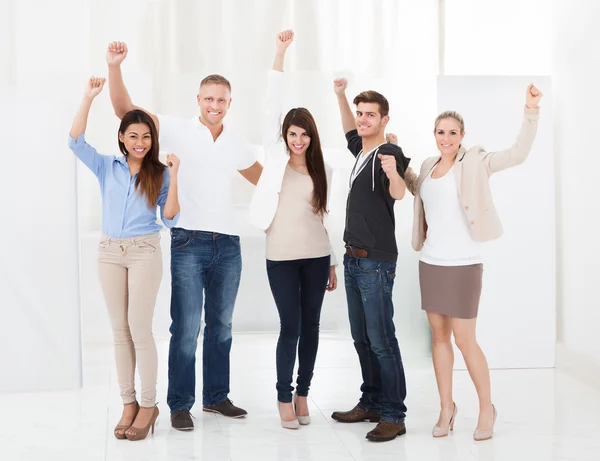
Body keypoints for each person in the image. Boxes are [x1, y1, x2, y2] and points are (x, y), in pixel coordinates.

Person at [106, 41, 263, 430]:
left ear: (230, 103)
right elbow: (126, 113)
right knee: (186, 326)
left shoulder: (236, 142)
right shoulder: (176, 129)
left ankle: (216, 398)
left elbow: (267, 181)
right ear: (198, 99)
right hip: (188, 241)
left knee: (222, 325)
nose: (214, 105)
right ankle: (178, 403)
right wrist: (114, 67)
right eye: (208, 98)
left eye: (221, 100)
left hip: (228, 243)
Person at [403, 84, 543, 441]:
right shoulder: (427, 164)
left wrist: (530, 110)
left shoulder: (477, 161)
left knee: (466, 340)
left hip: (464, 263)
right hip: (431, 261)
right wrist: (397, 158)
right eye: (440, 132)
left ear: (462, 135)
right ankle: (447, 408)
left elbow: (518, 153)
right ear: (433, 135)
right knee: (438, 336)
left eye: (452, 132)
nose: (445, 138)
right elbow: (418, 188)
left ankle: (486, 408)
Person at [68, 76, 181, 441]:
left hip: (144, 250)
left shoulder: (159, 173)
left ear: (153, 141)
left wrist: (175, 176)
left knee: (139, 329)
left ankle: (149, 404)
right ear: (121, 137)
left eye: (146, 137)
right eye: (133, 136)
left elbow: (171, 218)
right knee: (119, 332)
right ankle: (128, 403)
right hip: (109, 252)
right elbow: (75, 141)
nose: (140, 142)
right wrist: (88, 98)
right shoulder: (106, 167)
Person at [248, 30, 338, 429]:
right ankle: (283, 395)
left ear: (312, 137)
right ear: (284, 136)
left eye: (304, 134)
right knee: (291, 326)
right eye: (292, 133)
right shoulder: (274, 160)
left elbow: (322, 218)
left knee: (313, 326)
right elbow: (269, 108)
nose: (298, 140)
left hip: (317, 257)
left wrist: (332, 262)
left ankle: (304, 394)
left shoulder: (324, 170)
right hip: (281, 257)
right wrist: (279, 53)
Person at [329, 78, 410, 442]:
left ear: (384, 119)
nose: (362, 120)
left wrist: (395, 175)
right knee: (362, 337)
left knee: (382, 339)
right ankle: (371, 401)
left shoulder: (388, 155)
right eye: (361, 114)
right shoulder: (361, 150)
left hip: (376, 262)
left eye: (369, 115)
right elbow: (348, 128)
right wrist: (340, 96)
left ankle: (393, 413)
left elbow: (398, 193)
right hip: (352, 260)